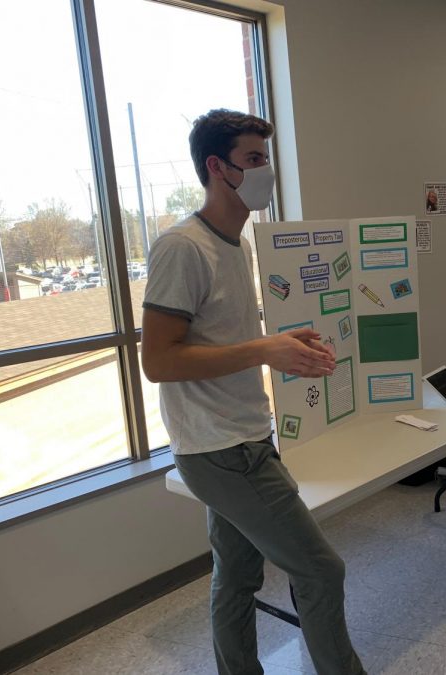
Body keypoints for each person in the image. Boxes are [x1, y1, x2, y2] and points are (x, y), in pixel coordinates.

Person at [141, 109, 366, 675]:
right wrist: (265, 350)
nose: (266, 170)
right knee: (321, 570)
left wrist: (273, 340)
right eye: (254, 159)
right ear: (218, 168)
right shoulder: (182, 247)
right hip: (222, 452)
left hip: (245, 439)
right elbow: (158, 361)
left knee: (237, 577)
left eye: (266, 158)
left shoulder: (236, 246)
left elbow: (219, 342)